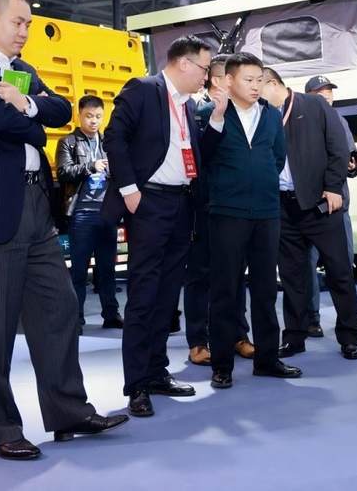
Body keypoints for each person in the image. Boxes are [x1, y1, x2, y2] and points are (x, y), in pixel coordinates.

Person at [0, 0, 127, 460]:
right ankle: (0, 427)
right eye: (17, 21)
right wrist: (30, 118)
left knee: (59, 309)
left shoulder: (21, 70)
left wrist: (25, 104)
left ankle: (68, 412)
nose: (25, 31)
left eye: (28, 23)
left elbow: (60, 110)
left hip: (37, 208)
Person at [101, 35, 209, 417]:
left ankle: (157, 371)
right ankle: (137, 385)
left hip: (181, 204)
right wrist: (129, 189)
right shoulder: (144, 89)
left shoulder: (188, 106)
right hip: (148, 202)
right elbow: (114, 136)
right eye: (203, 68)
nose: (205, 76)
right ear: (184, 63)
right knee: (144, 293)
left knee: (167, 294)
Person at [202, 52, 301, 389]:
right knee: (225, 291)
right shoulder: (211, 113)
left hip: (267, 212)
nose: (256, 86)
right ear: (229, 81)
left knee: (265, 289)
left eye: (260, 80)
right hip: (227, 213)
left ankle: (268, 359)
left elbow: (277, 157)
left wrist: (261, 183)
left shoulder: (271, 115)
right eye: (249, 80)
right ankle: (222, 365)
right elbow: (203, 156)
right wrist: (216, 118)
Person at [259, 68, 357, 360]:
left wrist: (333, 187)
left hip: (320, 204)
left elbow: (338, 148)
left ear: (273, 83)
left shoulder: (313, 104)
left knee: (339, 270)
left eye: (257, 84)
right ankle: (295, 337)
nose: (254, 91)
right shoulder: (263, 114)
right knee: (292, 275)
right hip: (283, 206)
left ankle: (349, 336)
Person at [184, 54, 253, 366]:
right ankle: (198, 341)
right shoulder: (196, 111)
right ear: (219, 80)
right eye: (234, 77)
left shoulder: (247, 113)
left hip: (236, 206)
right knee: (199, 275)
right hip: (203, 206)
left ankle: (238, 334)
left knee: (236, 273)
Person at [304, 75, 357, 336]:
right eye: (320, 91)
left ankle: (350, 316)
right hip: (310, 207)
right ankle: (310, 319)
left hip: (339, 206)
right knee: (307, 266)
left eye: (329, 91)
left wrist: (352, 166)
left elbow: (350, 158)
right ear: (308, 96)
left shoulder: (340, 121)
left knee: (344, 265)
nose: (326, 95)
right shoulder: (299, 122)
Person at [56, 95, 122, 333]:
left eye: (98, 117)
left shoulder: (108, 142)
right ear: (79, 116)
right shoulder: (68, 142)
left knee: (107, 268)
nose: (94, 121)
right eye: (89, 116)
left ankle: (111, 315)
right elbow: (63, 172)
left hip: (107, 212)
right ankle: (76, 319)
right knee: (79, 270)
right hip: (82, 213)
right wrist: (91, 166)